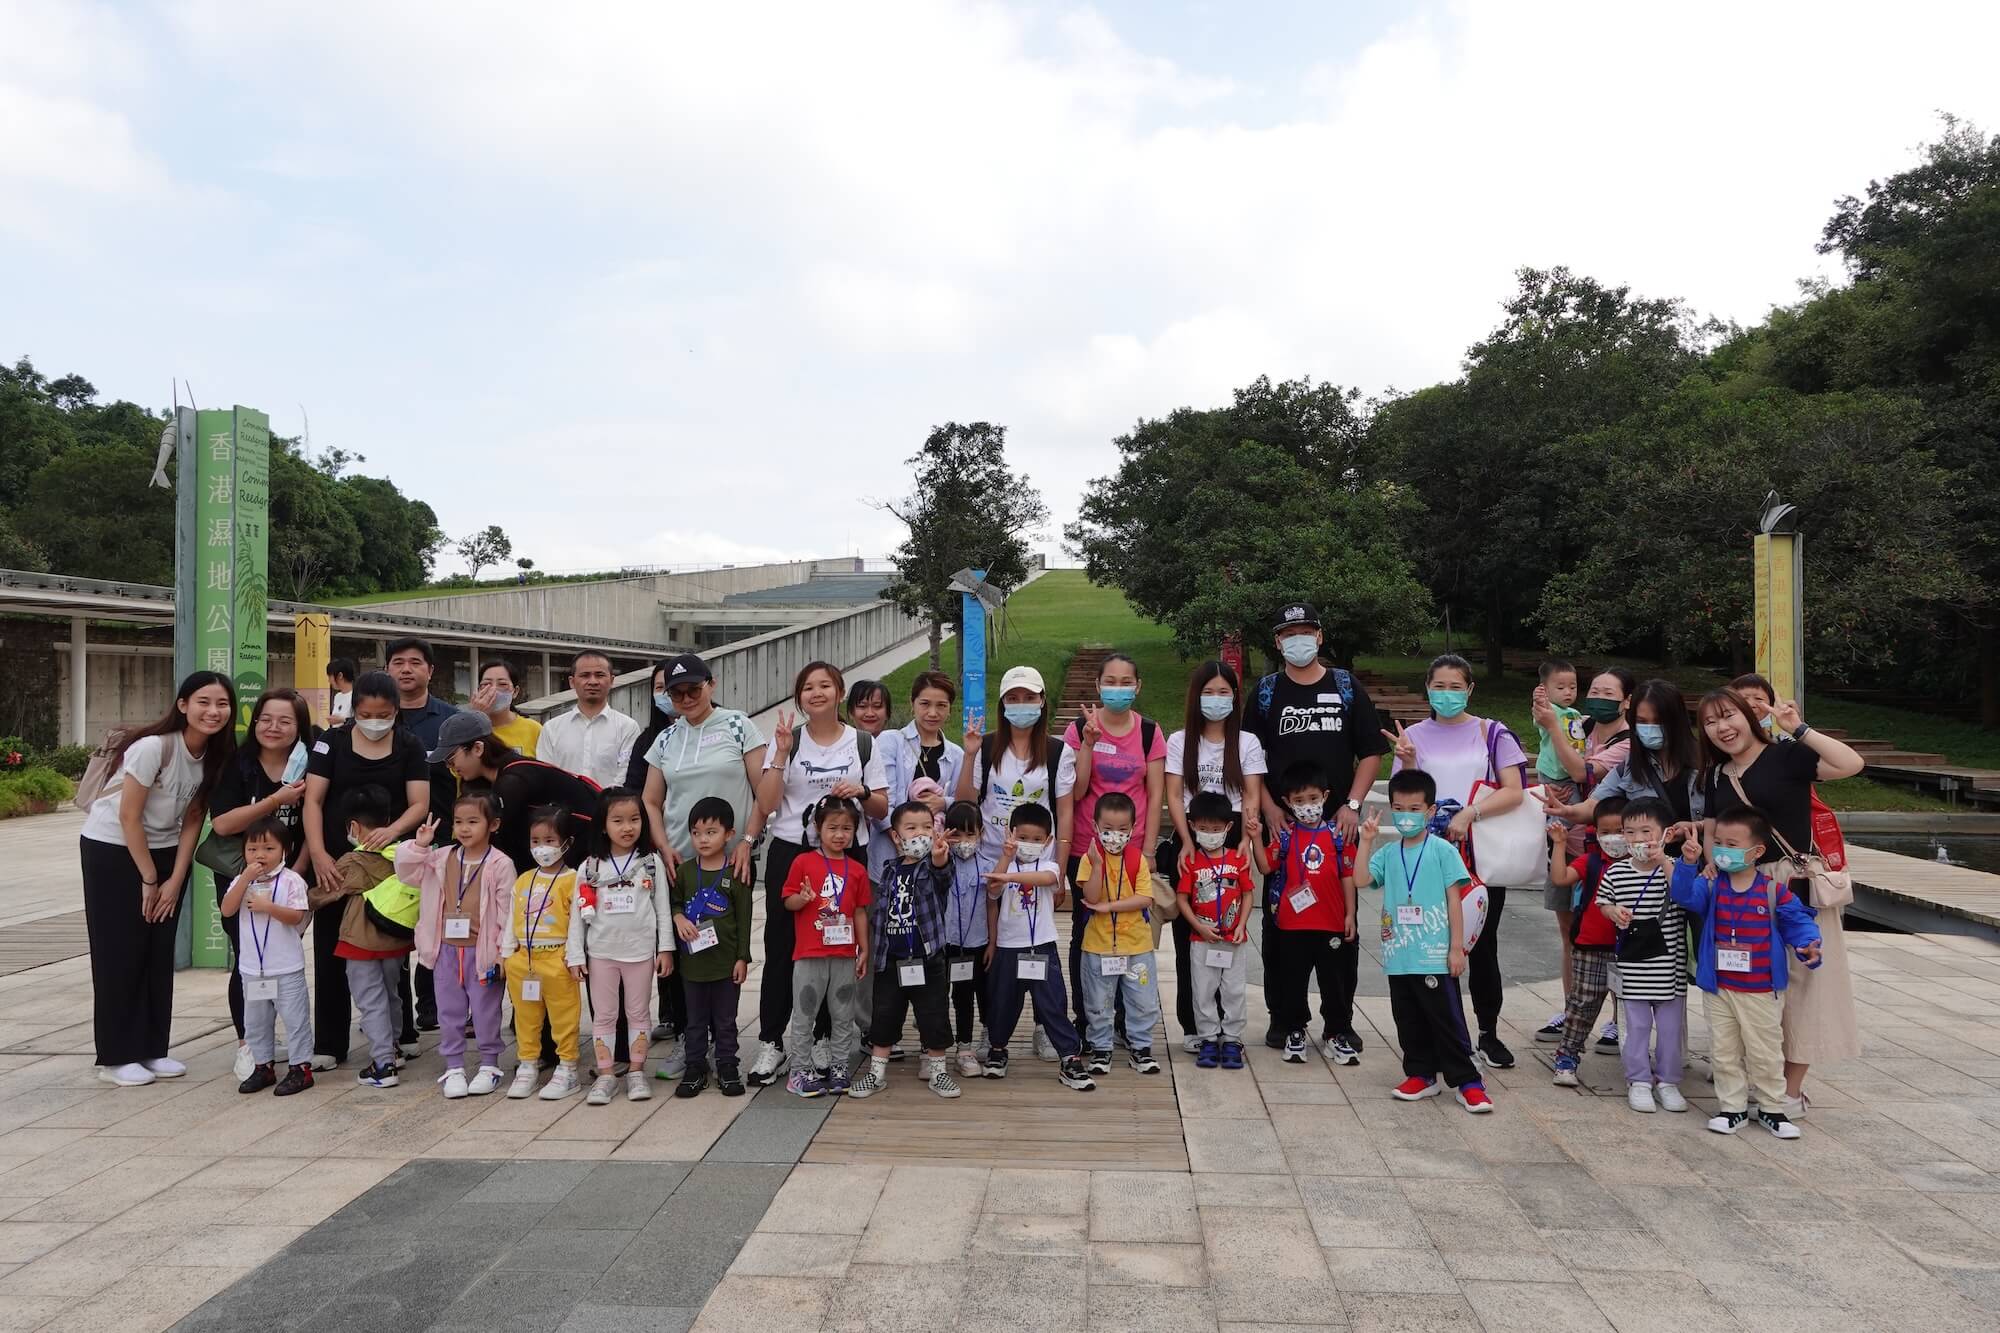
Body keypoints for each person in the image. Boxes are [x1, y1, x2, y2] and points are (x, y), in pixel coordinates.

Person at [1696, 686, 1865, 1118]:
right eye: (1710, 721)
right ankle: (1759, 1078)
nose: (1721, 727)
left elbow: (1851, 764)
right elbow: (1713, 830)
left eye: (1728, 716)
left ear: (1748, 716)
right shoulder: (1716, 775)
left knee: (1805, 986)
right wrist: (1713, 865)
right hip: (1740, 888)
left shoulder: (1786, 755)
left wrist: (1799, 728)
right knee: (1750, 983)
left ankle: (1789, 1090)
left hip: (1792, 883)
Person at [79, 671, 238, 1087]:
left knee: (157, 950)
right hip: (114, 849)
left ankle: (151, 1048)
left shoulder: (217, 754)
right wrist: (150, 878)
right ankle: (115, 1057)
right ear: (183, 705)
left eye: (222, 704)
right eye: (203, 702)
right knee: (120, 951)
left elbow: (194, 818)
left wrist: (176, 876)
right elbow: (129, 816)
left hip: (167, 853)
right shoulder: (154, 747)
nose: (213, 711)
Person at [1244, 602, 1388, 1052]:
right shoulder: (1266, 692)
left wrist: (1352, 805)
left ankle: (1339, 1022)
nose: (1298, 641)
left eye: (1306, 632)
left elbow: (1370, 752)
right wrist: (1269, 807)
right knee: (1279, 929)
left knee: (1340, 926)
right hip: (1283, 827)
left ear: (1320, 637)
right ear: (1277, 642)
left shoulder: (1345, 686)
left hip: (1336, 828)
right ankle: (1285, 1018)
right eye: (1289, 634)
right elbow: (1249, 757)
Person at [1386, 653, 1527, 1070]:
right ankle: (1437, 1035)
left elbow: (1514, 790)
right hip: (1427, 857)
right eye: (1439, 686)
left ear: (1470, 689)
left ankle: (1488, 1032)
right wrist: (1407, 761)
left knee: (1482, 944)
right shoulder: (1412, 736)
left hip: (1478, 854)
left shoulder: (1492, 732)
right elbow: (1405, 795)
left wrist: (1470, 813)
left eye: (1455, 687)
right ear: (1427, 688)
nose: (1446, 694)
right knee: (1430, 946)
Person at [638, 654, 773, 1076]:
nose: (685, 698)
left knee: (726, 949)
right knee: (683, 952)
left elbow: (764, 792)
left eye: (693, 689)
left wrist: (747, 840)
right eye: (676, 693)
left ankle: (724, 1040)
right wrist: (663, 847)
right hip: (682, 864)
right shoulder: (666, 739)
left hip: (730, 862)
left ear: (711, 685)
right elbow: (650, 800)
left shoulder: (738, 726)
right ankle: (690, 1039)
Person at [753, 662, 889, 1080]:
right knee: (782, 947)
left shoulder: (861, 743)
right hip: (794, 854)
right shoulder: (788, 741)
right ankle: (772, 1041)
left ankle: (827, 1037)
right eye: (807, 687)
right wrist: (779, 754)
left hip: (846, 857)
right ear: (799, 697)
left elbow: (882, 807)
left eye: (825, 685)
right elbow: (767, 804)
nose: (816, 693)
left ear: (839, 692)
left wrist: (862, 792)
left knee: (837, 946)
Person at [302, 671, 430, 1068]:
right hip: (336, 862)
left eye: (384, 714)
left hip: (387, 864)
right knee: (332, 946)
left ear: (396, 711)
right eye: (366, 714)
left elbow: (419, 803)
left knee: (390, 946)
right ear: (354, 709)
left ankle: (400, 1035)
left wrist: (392, 831)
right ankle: (329, 1043)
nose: (375, 722)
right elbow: (313, 801)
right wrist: (319, 853)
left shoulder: (408, 744)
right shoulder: (332, 742)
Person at [1671, 810, 1822, 1139]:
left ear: (1756, 851)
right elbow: (1682, 897)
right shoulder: (1711, 885)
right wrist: (1688, 864)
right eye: (1719, 843)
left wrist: (1808, 944)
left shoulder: (1773, 891)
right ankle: (1732, 1108)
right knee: (1724, 1051)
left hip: (1761, 989)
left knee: (1764, 1051)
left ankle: (1772, 1108)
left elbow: (1797, 921)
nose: (1723, 850)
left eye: (1732, 844)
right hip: (1719, 987)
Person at [1352, 768, 1491, 1113]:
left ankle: (1467, 1080)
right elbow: (1360, 880)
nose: (1406, 816)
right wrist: (1366, 841)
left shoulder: (1442, 850)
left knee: (1446, 1018)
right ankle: (1421, 1073)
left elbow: (1455, 901)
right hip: (1399, 954)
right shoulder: (1388, 853)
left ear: (1430, 811)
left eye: (1414, 809)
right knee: (1408, 1017)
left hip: (1434, 953)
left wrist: (1456, 948)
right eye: (1399, 809)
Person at [954, 664, 1073, 1063]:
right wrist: (970, 754)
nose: (1022, 705)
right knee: (996, 946)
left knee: (1039, 943)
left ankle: (1043, 1025)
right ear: (1003, 703)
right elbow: (966, 800)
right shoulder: (988, 747)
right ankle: (993, 1027)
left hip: (1037, 866)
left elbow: (1064, 812)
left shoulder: (1057, 751)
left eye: (1029, 697)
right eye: (1014, 698)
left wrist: (1060, 871)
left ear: (1042, 701)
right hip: (992, 862)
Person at [1058, 652, 1167, 1049]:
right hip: (1088, 851)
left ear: (1137, 687)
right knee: (1086, 931)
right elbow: (1077, 791)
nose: (1117, 689)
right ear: (1098, 685)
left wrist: (1149, 849)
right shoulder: (1077, 729)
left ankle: (1124, 1018)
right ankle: (1087, 1018)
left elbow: (1155, 795)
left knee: (1129, 931)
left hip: (1132, 852)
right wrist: (1088, 743)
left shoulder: (1149, 732)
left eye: (1126, 682)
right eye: (1110, 681)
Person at [209, 687, 313, 1078]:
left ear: (299, 727)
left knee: (282, 956)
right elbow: (223, 824)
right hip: (243, 877)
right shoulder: (237, 765)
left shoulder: (308, 765)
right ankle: (248, 1044)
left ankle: (274, 1042)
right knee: (247, 957)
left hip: (290, 878)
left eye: (285, 721)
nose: (273, 727)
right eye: (265, 719)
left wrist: (296, 872)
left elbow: (313, 823)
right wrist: (276, 800)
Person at [1163, 660, 1267, 1052]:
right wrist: (1186, 840)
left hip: (1233, 834)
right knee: (1190, 935)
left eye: (1224, 692)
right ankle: (1195, 1026)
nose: (1216, 699)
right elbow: (1175, 795)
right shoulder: (1179, 741)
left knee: (1228, 927)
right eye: (1209, 692)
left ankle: (1229, 1028)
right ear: (1196, 696)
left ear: (1235, 697)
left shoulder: (1247, 742)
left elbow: (1252, 793)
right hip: (1192, 834)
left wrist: (1247, 840)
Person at [1532, 668, 1633, 1048]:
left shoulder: (1629, 742)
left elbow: (1580, 770)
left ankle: (1618, 1019)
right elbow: (1552, 758)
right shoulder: (1580, 723)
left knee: (1617, 935)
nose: (1598, 698)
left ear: (1626, 701)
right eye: (1595, 690)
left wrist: (1552, 727)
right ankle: (1571, 1009)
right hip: (1567, 844)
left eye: (1609, 693)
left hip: (1611, 854)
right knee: (1570, 934)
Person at [394, 792, 517, 1099]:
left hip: (483, 951)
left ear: (493, 825)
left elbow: (508, 912)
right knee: (449, 1010)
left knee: (486, 1011)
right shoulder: (441, 858)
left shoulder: (500, 864)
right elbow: (406, 873)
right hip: (446, 949)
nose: (464, 828)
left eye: (473, 822)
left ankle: (489, 1064)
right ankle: (454, 1067)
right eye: (459, 821)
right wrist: (419, 845)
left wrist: (503, 951)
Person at [849, 801, 962, 1100]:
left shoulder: (931, 867)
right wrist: (868, 951)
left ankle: (939, 1072)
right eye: (911, 828)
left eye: (927, 827)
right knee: (884, 1017)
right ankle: (876, 1074)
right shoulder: (889, 870)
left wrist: (940, 859)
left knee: (934, 1016)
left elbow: (943, 875)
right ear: (896, 836)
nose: (920, 834)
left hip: (928, 959)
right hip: (891, 959)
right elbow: (878, 916)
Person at [569, 788, 675, 1103]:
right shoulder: (589, 867)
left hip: (640, 953)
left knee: (638, 1012)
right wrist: (575, 955)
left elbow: (662, 909)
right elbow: (577, 917)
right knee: (604, 1015)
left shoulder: (650, 862)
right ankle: (606, 1075)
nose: (627, 827)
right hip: (601, 953)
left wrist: (665, 949)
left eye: (634, 819)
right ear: (603, 825)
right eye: (618, 820)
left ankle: (636, 1072)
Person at [980, 802, 1095, 1090]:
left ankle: (1069, 1056)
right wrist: (1006, 858)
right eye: (1022, 837)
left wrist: (1009, 877)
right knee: (1004, 1001)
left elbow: (1047, 880)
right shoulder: (1003, 864)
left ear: (1048, 841)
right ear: (1010, 834)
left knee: (1053, 1003)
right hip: (1008, 947)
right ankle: (997, 1048)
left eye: (1036, 839)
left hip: (1041, 946)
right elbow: (992, 890)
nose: (1028, 844)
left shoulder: (1049, 866)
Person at [1254, 761, 1359, 1066]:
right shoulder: (1284, 837)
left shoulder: (1337, 836)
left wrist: (1350, 914)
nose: (1307, 806)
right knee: (1293, 982)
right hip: (1293, 925)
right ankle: (1295, 1030)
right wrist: (1255, 838)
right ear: (1287, 802)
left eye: (1313, 798)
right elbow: (1266, 866)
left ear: (1325, 796)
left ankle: (1336, 1032)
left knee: (1334, 982)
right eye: (1299, 801)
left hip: (1331, 923)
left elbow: (1348, 876)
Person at [314, 787, 418, 1090]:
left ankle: (383, 1065)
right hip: (396, 939)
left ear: (354, 827)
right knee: (392, 995)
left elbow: (322, 895)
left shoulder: (354, 861)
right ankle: (394, 1048)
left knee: (371, 1001)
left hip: (361, 941)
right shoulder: (401, 854)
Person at [1590, 797, 1688, 1113]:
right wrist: (1612, 911)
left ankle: (1668, 1081)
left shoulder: (1676, 868)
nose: (1637, 839)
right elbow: (1603, 903)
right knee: (1636, 1027)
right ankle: (1639, 1080)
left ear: (1665, 834)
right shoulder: (1617, 871)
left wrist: (1665, 862)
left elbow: (1686, 895)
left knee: (1671, 1030)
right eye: (1629, 832)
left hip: (1670, 969)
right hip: (1633, 967)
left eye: (1646, 831)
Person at [779, 797, 871, 1098]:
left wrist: (864, 949)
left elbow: (860, 911)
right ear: (818, 828)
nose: (839, 834)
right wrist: (802, 898)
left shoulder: (856, 870)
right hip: (810, 954)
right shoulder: (803, 862)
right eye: (832, 827)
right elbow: (788, 902)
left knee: (843, 1013)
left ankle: (840, 1066)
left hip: (844, 954)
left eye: (847, 828)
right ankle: (799, 1071)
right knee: (805, 1012)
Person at [220, 817, 315, 1097]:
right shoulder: (241, 881)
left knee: (295, 1019)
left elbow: (296, 916)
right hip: (253, 968)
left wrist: (268, 906)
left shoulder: (292, 881)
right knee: (256, 1022)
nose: (259, 855)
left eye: (269, 849)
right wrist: (244, 879)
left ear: (285, 850)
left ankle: (301, 1068)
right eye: (252, 849)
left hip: (286, 967)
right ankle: (263, 1066)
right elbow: (227, 909)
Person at [1072, 791, 1163, 1077]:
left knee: (1142, 999)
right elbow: (1090, 895)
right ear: (1095, 826)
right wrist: (1098, 865)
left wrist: (1108, 906)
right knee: (1098, 1001)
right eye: (1108, 829)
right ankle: (1101, 1047)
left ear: (1133, 828)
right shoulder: (1089, 859)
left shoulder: (1137, 859)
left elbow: (1144, 898)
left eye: (1122, 829)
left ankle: (1141, 1047)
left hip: (1137, 945)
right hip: (1098, 946)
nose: (1115, 836)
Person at [668, 796, 753, 1098]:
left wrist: (742, 957)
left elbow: (745, 917)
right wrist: (678, 917)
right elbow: (674, 902)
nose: (702, 839)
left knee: (726, 1020)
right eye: (696, 833)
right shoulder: (685, 872)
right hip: (693, 965)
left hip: (725, 963)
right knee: (695, 1021)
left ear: (729, 834)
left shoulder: (735, 872)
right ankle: (695, 1067)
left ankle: (727, 1065)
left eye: (711, 832)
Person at [502, 807, 584, 1101]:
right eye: (535, 841)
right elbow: (511, 917)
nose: (541, 848)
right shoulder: (524, 879)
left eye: (549, 840)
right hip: (524, 959)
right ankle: (528, 1063)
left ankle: (568, 1067)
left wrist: (574, 957)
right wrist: (507, 953)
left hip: (557, 958)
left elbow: (577, 923)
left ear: (566, 843)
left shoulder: (573, 879)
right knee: (525, 1016)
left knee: (564, 1015)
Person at [1546, 797, 1626, 1091]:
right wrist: (1559, 844)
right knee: (1582, 1004)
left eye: (1621, 831)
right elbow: (1560, 877)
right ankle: (1567, 1056)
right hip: (1590, 946)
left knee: (1633, 1009)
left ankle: (1637, 1063)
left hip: (1630, 949)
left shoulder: (1645, 866)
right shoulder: (1591, 862)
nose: (1613, 838)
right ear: (1595, 833)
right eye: (1606, 832)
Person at [1176, 791, 1253, 1070]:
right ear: (1192, 826)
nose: (1210, 834)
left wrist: (1242, 924)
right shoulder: (1191, 861)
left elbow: (1247, 894)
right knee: (1203, 990)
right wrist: (1198, 926)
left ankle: (1231, 1039)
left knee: (1234, 990)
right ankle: (1207, 1038)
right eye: (1204, 829)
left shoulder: (1237, 858)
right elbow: (1182, 899)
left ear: (1229, 827)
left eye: (1216, 829)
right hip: (1201, 939)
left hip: (1234, 939)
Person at [939, 800, 991, 1078]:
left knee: (965, 996)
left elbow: (992, 906)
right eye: (956, 834)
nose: (964, 841)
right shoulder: (939, 863)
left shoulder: (988, 866)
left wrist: (992, 942)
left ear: (981, 833)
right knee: (937, 995)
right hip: (944, 943)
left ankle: (965, 1048)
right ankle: (931, 1047)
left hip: (975, 943)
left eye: (970, 834)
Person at [541, 650, 643, 790]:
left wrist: (604, 800)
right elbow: (546, 775)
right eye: (585, 675)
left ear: (612, 680)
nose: (593, 681)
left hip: (610, 803)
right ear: (572, 682)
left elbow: (625, 774)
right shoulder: (551, 728)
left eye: (599, 675)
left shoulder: (627, 727)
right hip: (564, 803)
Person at [385, 637, 458, 754]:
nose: (406, 670)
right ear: (387, 670)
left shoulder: (453, 720)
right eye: (398, 663)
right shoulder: (372, 719)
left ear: (430, 671)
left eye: (415, 663)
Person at [472, 659, 542, 757]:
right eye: (486, 684)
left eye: (502, 684)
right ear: (479, 690)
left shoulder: (534, 730)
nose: (494, 690)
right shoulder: (468, 729)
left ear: (515, 691)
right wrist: (475, 718)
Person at [327, 657, 356, 723]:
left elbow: (359, 721)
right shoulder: (337, 696)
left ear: (340, 675)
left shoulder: (357, 696)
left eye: (330, 676)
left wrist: (342, 720)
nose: (329, 680)